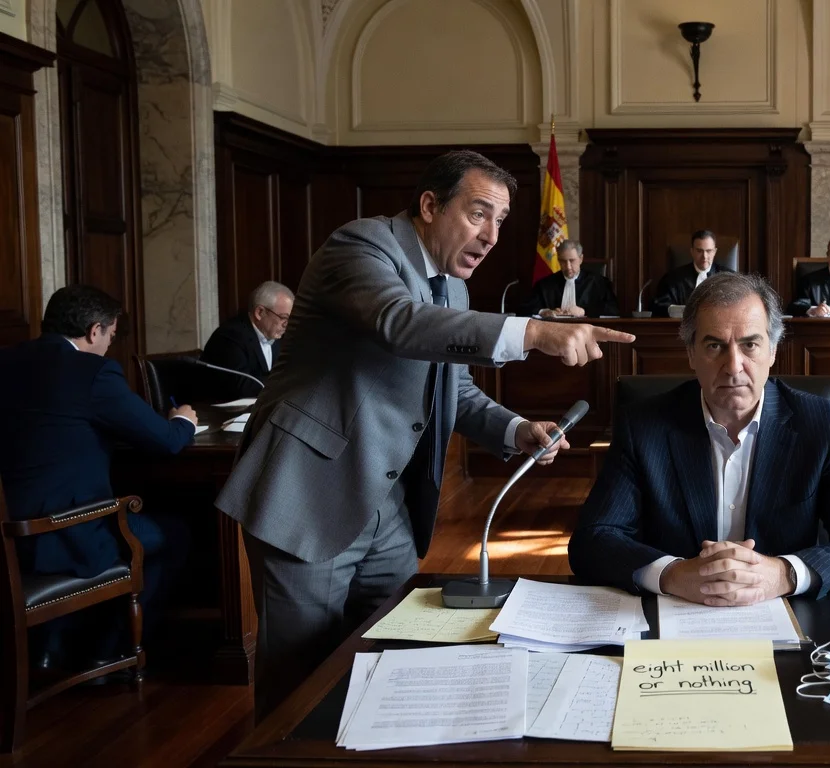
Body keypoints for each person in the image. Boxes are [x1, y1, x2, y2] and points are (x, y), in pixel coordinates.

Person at [214, 150, 635, 718]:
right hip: (310, 492)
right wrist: (533, 331)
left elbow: (453, 392)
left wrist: (516, 429)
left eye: (501, 221)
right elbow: (398, 323)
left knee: (388, 654)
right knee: (301, 676)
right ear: (431, 205)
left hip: (387, 503)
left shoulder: (454, 290)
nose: (489, 237)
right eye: (478, 213)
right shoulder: (361, 247)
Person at [569, 272, 830, 603]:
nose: (733, 366)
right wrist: (671, 574)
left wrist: (784, 574)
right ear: (691, 354)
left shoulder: (821, 425)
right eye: (715, 345)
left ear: (772, 351)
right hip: (675, 614)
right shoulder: (644, 426)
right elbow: (592, 540)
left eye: (750, 344)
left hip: (782, 614)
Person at [0, 285, 198, 666]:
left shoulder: (7, 361)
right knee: (174, 535)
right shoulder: (93, 371)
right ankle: (112, 655)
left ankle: (53, 643)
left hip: (10, 531)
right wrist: (184, 422)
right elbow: (165, 441)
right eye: (110, 335)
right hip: (59, 534)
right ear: (94, 331)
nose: (109, 345)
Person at [201, 280, 294, 399]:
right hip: (217, 412)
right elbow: (243, 387)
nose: (287, 325)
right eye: (283, 318)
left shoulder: (276, 339)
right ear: (260, 312)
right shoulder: (230, 337)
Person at [519, 240, 620, 318]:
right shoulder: (545, 284)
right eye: (563, 261)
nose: (568, 266)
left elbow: (614, 310)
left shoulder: (599, 283)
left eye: (572, 261)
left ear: (581, 259)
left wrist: (584, 311)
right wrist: (544, 312)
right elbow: (524, 308)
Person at [650, 229, 734, 317]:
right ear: (692, 251)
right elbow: (659, 306)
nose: (704, 256)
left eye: (708, 251)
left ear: (714, 252)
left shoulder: (729, 278)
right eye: (699, 251)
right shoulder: (673, 278)